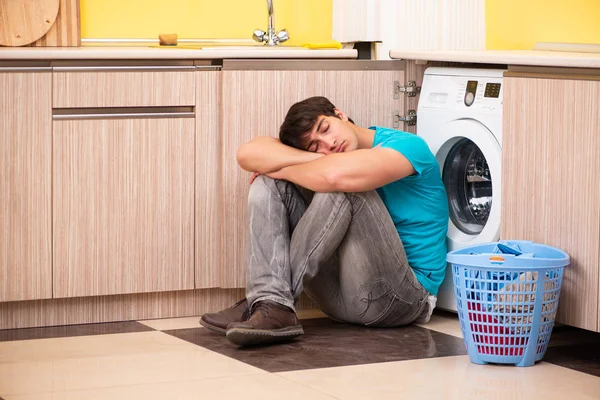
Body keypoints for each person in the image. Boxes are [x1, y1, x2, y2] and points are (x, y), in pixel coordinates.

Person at [200, 96, 449, 347]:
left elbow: (337, 175)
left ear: (340, 114)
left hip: (402, 300)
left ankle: (269, 302)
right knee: (269, 183)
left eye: (325, 129)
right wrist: (284, 169)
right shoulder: (330, 156)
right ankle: (270, 302)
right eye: (315, 146)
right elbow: (248, 154)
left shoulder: (408, 146)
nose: (328, 144)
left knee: (345, 188)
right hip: (339, 298)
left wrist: (279, 166)